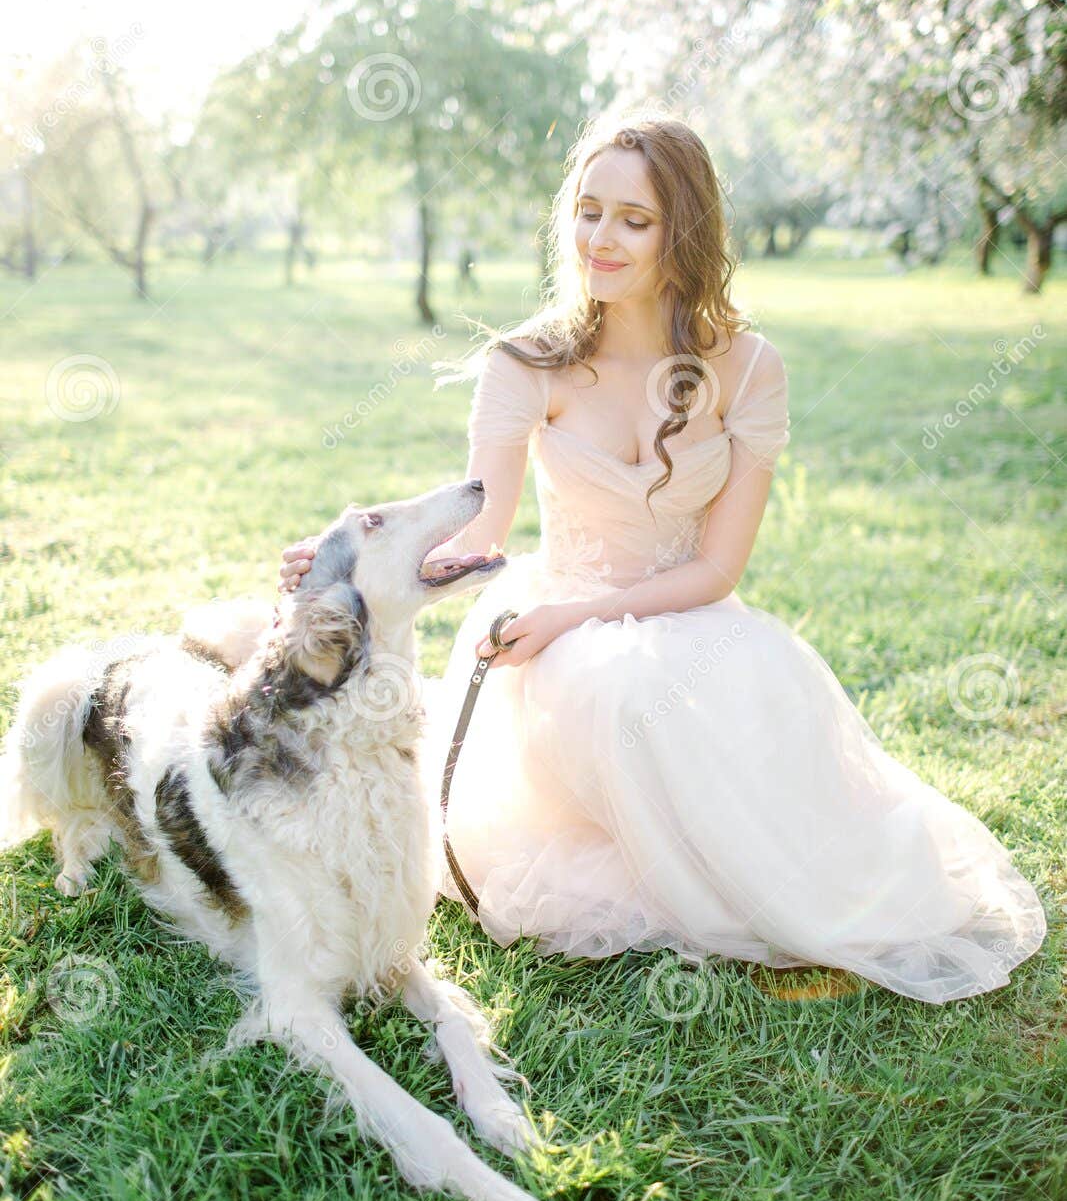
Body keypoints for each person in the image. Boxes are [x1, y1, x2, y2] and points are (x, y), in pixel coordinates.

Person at [279, 112, 1047, 1004]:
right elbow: (480, 528)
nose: (601, 239)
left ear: (682, 233)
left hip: (688, 612)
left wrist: (582, 615)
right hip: (555, 624)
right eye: (588, 211)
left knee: (736, 707)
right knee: (617, 689)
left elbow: (718, 569)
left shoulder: (750, 368)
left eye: (633, 220)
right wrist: (352, 558)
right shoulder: (525, 363)